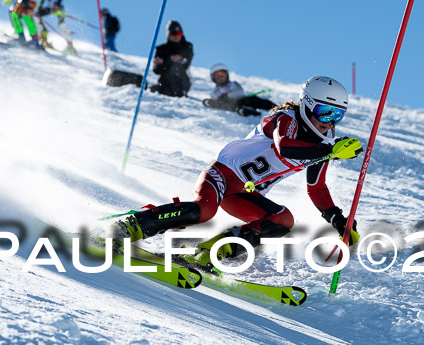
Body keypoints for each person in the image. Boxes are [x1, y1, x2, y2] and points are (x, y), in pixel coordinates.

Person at [112, 76, 363, 271]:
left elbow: (316, 188)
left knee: (282, 221)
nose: (330, 122)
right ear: (307, 104)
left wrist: (338, 220)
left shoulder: (321, 146)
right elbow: (283, 145)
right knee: (204, 211)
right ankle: (130, 226)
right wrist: (328, 149)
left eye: (337, 115)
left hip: (244, 194)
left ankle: (212, 251)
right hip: (222, 174)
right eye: (325, 112)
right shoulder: (286, 118)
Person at [203, 63, 277, 117]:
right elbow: (214, 99)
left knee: (253, 99)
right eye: (217, 76)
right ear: (213, 78)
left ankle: (277, 109)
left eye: (222, 74)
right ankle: (243, 111)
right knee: (222, 103)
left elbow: (239, 93)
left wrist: (229, 95)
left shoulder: (233, 84)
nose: (220, 77)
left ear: (226, 75)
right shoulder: (215, 91)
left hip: (240, 101)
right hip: (227, 104)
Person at [150, 20, 193, 97]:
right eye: (173, 33)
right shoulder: (161, 49)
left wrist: (180, 59)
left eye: (179, 33)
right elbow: (157, 71)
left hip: (182, 81)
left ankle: (180, 93)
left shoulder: (187, 46)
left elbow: (187, 61)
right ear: (169, 34)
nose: (176, 36)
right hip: (165, 81)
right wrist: (158, 63)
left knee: (176, 67)